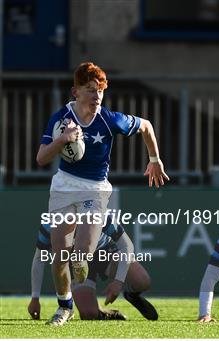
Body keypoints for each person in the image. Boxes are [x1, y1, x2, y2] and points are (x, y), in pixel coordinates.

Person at [36, 62, 169, 326]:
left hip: (95, 190)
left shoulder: (109, 120)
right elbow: (41, 158)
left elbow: (146, 126)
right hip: (64, 186)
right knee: (60, 254)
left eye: (100, 91)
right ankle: (64, 307)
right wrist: (62, 140)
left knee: (82, 252)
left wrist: (154, 159)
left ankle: (85, 281)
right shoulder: (61, 119)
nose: (97, 96)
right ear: (75, 91)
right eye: (90, 90)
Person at [28, 221, 158, 321]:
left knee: (142, 281)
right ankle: (102, 312)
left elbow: (127, 246)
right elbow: (39, 259)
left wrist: (118, 282)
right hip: (76, 262)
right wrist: (35, 298)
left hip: (104, 252)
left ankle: (131, 295)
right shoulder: (50, 224)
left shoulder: (97, 213)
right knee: (88, 314)